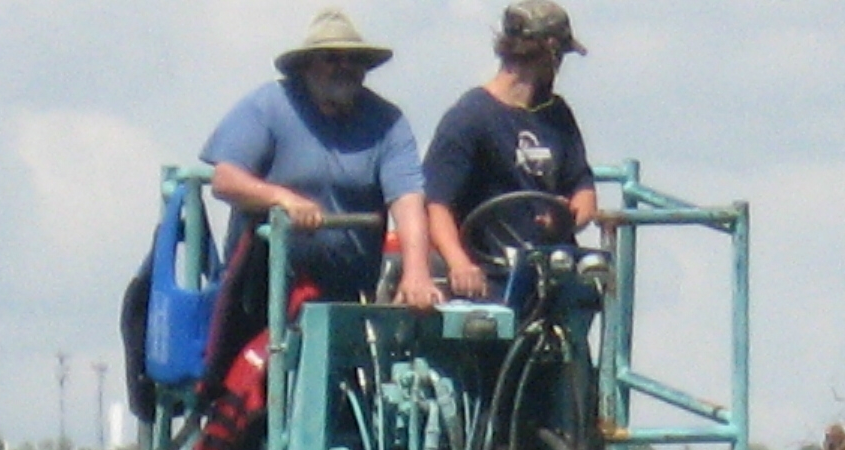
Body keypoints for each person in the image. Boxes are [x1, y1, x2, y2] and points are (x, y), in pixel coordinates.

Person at [201, 10, 437, 312]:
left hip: (348, 293)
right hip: (260, 290)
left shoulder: (388, 122)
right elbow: (225, 180)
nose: (345, 67)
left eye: (354, 60)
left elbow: (407, 200)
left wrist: (417, 273)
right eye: (331, 58)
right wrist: (284, 199)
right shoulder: (268, 105)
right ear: (306, 66)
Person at [421, 1, 599, 302]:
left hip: (553, 269)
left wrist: (567, 219)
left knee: (589, 288)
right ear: (550, 52)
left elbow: (583, 190)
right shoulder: (470, 117)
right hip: (490, 277)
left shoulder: (557, 114)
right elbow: (436, 204)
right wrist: (459, 264)